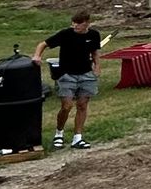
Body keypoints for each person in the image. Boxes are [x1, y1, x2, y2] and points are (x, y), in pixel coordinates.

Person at [37, 8, 104, 147]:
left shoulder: (94, 35)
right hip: (67, 74)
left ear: (87, 24)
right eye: (73, 23)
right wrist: (37, 56)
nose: (75, 27)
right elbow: (43, 44)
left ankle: (77, 137)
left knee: (82, 105)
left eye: (79, 24)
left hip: (86, 74)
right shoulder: (65, 34)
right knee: (66, 106)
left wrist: (97, 68)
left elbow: (95, 53)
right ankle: (59, 133)